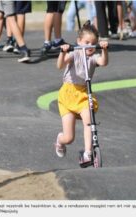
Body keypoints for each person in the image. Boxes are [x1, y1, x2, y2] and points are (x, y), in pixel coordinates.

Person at [54, 20, 108, 163]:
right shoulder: (75, 53)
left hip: (84, 94)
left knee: (89, 121)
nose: (90, 46)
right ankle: (60, 140)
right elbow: (60, 65)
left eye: (93, 43)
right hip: (68, 94)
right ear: (79, 41)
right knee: (69, 137)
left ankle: (88, 153)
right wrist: (63, 52)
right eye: (86, 42)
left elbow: (103, 62)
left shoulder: (93, 57)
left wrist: (104, 49)